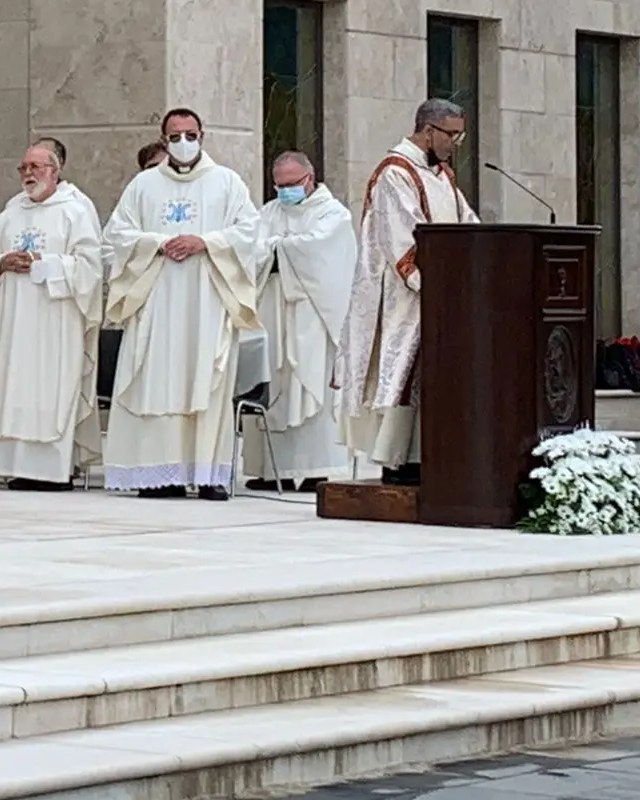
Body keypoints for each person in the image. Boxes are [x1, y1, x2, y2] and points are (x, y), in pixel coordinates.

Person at [102, 108, 262, 499]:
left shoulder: (227, 182)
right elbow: (116, 236)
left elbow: (251, 234)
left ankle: (209, 475)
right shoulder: (143, 185)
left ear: (202, 135)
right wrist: (157, 243)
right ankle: (159, 475)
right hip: (157, 301)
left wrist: (205, 242)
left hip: (206, 301)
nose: (183, 142)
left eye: (190, 134)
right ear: (164, 139)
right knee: (157, 380)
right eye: (175, 136)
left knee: (205, 378)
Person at [341, 97, 481, 484]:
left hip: (442, 294)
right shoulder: (395, 172)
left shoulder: (443, 175)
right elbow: (402, 236)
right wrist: (435, 283)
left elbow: (467, 222)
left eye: (460, 134)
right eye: (452, 134)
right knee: (403, 372)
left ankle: (432, 453)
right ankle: (398, 459)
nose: (457, 142)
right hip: (407, 295)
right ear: (428, 131)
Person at [0, 142, 104, 491]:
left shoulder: (75, 211)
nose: (29, 174)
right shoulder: (10, 212)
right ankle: (15, 466)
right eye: (23, 168)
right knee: (12, 386)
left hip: (55, 320)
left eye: (36, 166)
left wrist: (45, 264)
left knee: (51, 390)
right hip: (12, 321)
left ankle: (51, 471)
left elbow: (91, 267)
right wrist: (0, 263)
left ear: (55, 170)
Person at [246, 151, 357, 490]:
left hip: (312, 316)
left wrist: (278, 249)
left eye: (292, 184)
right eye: (279, 185)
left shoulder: (333, 214)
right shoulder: (268, 211)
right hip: (272, 308)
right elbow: (252, 247)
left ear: (310, 179)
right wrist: (281, 249)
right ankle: (269, 470)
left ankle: (315, 469)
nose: (285, 192)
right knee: (272, 381)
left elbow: (322, 253)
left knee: (310, 383)